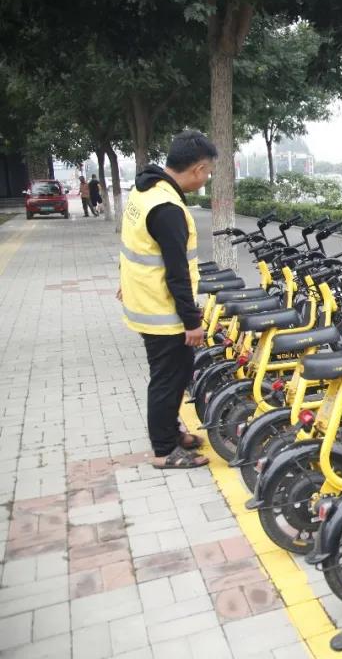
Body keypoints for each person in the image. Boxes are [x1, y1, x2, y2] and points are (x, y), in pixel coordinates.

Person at [118, 130, 217, 469]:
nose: (206, 179)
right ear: (198, 169)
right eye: (208, 172)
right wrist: (192, 322)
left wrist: (123, 280)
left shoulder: (145, 190)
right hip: (161, 310)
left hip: (145, 301)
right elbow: (177, 273)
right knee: (168, 378)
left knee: (172, 374)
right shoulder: (167, 208)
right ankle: (164, 450)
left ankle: (170, 433)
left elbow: (132, 242)